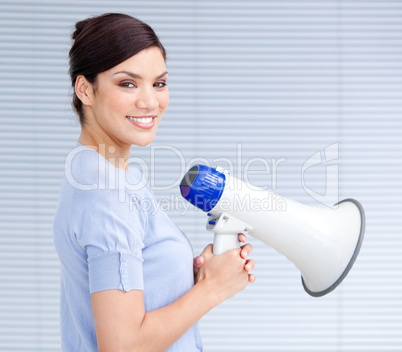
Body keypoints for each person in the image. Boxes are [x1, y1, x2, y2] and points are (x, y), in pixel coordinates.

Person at [53, 13, 255, 352]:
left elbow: (121, 295)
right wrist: (214, 288)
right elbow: (122, 345)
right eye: (127, 83)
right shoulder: (105, 192)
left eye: (158, 83)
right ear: (85, 89)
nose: (149, 101)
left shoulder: (107, 174)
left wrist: (191, 279)